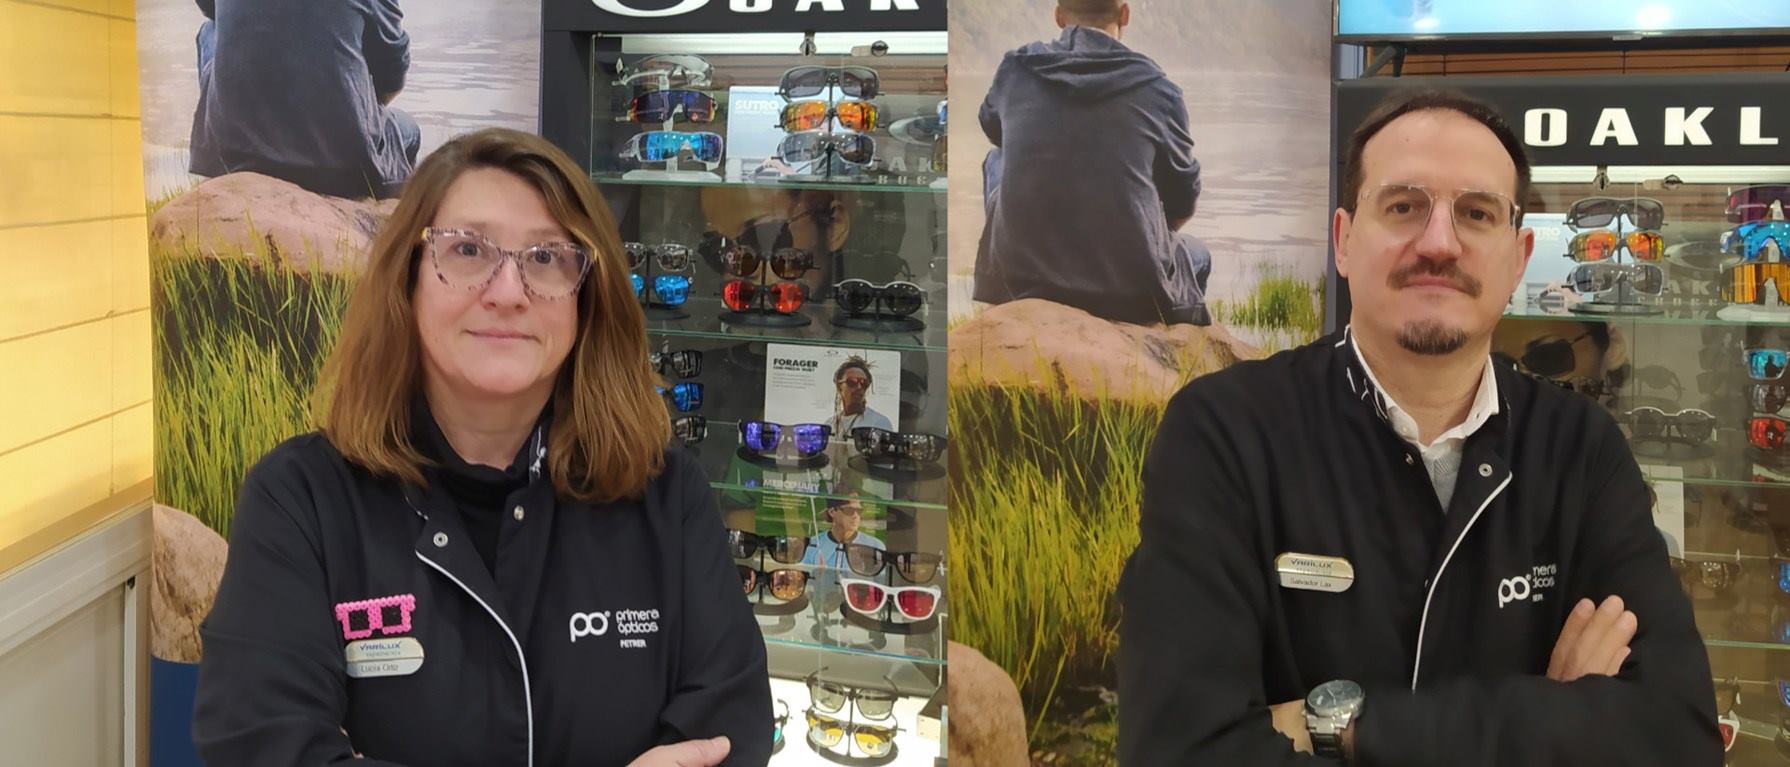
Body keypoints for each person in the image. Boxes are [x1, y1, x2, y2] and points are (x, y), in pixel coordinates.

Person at [1118, 90, 1720, 765]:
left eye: (1476, 213)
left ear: (1519, 259)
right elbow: (1180, 749)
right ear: (1344, 241)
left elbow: (1679, 736)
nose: (1439, 242)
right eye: (1404, 206)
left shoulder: (1581, 450)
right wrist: (1557, 718)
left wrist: (1339, 724)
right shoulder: (1224, 433)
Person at [193, 128, 770, 766]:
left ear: (587, 298)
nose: (507, 292)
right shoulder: (300, 500)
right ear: (408, 280)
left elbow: (727, 734)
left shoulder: (665, 495)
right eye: (468, 249)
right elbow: (259, 749)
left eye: (548, 258)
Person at [973, 0, 1210, 326]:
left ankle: (1011, 293)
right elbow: (1183, 197)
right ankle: (1162, 345)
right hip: (1130, 289)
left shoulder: (1016, 69)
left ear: (1058, 16)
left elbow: (991, 126)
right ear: (1125, 14)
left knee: (997, 158)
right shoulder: (1160, 90)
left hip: (1022, 279)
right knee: (1198, 257)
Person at [191, 0, 421, 199]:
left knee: (211, 31)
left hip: (231, 154)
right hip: (344, 166)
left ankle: (234, 149)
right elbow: (392, 76)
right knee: (410, 132)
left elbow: (213, 10)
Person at [827, 356, 894, 439]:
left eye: (864, 383)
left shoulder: (879, 423)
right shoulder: (829, 425)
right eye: (852, 382)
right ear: (839, 386)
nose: (859, 387)